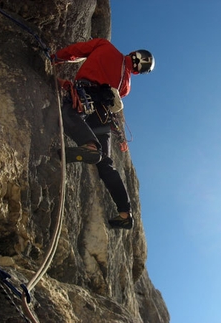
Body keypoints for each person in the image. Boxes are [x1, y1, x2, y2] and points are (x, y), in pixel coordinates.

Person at [51, 38, 155, 230]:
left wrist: (57, 57)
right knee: (106, 164)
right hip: (103, 116)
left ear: (134, 52)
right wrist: (120, 136)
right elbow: (116, 108)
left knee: (68, 114)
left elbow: (77, 50)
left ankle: (89, 146)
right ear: (138, 70)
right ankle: (125, 213)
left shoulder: (105, 46)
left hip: (86, 96)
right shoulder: (126, 85)